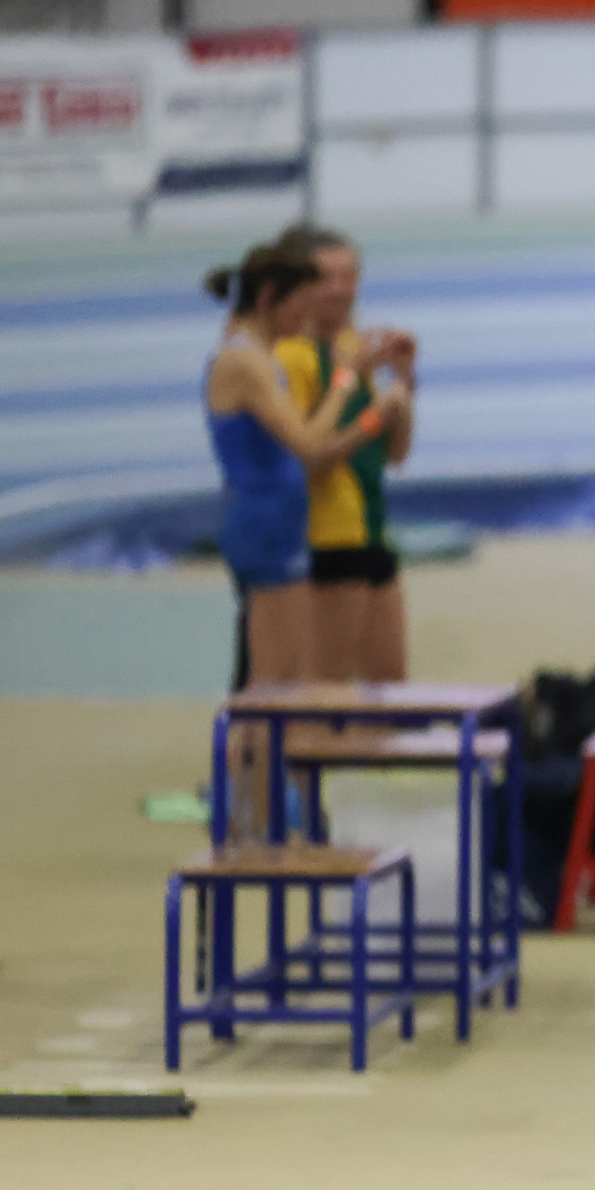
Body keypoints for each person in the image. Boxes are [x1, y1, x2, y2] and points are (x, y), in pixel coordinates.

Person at [202, 241, 387, 829]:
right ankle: (242, 814)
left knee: (288, 682)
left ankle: (268, 807)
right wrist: (347, 381)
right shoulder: (243, 362)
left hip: (282, 525)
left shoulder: (260, 353)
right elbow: (306, 444)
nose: (306, 322)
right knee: (268, 686)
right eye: (299, 308)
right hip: (262, 528)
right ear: (268, 298)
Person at [274, 225, 416, 682]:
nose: (340, 289)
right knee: (327, 688)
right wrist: (373, 417)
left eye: (350, 277)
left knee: (390, 688)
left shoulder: (354, 349)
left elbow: (394, 455)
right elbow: (308, 458)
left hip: (372, 529)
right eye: (327, 278)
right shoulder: (291, 358)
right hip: (326, 536)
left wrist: (403, 385)